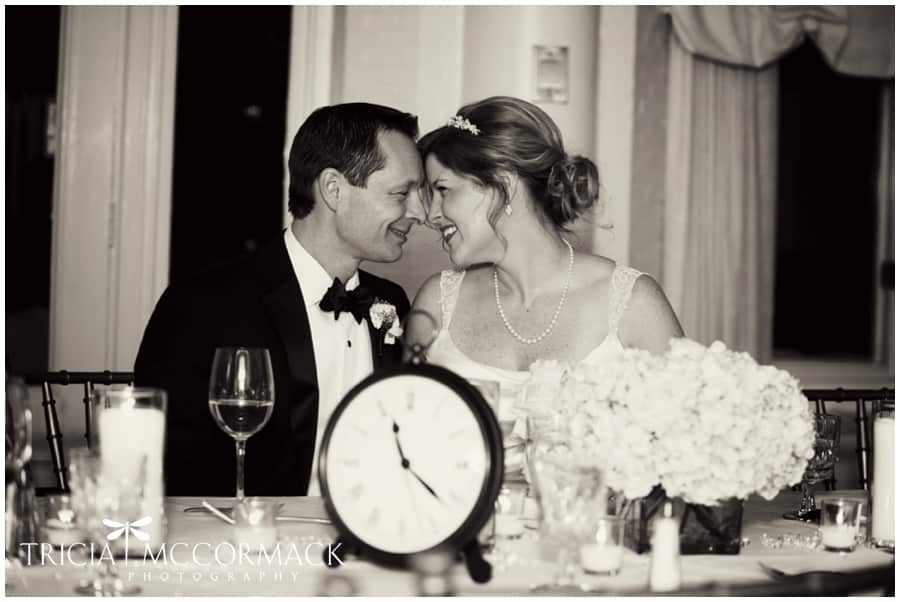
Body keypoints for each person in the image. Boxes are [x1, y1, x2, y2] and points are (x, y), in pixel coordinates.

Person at [135, 103, 426, 496]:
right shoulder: (202, 306)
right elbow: (166, 466)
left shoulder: (392, 302)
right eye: (400, 193)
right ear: (334, 190)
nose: (419, 211)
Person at [408, 96, 683, 417]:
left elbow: (686, 443)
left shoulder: (632, 302)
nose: (431, 215)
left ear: (504, 185)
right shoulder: (437, 303)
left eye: (443, 190)